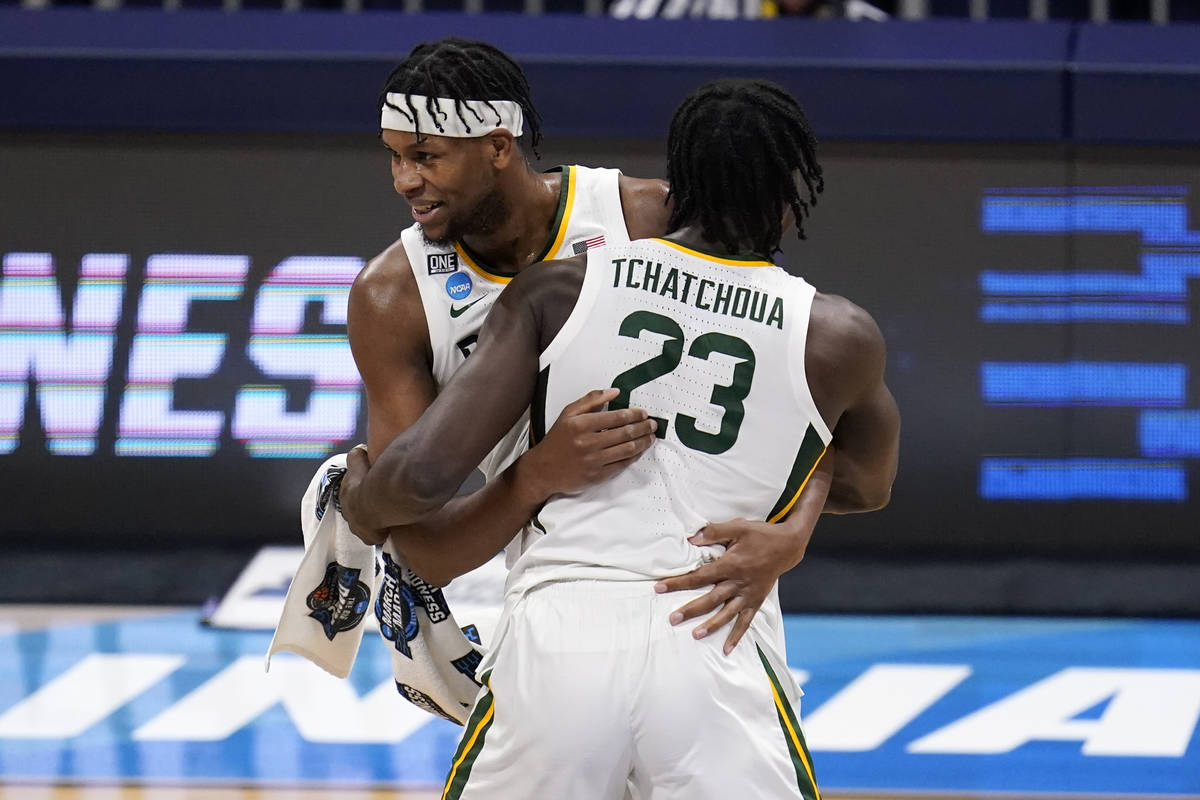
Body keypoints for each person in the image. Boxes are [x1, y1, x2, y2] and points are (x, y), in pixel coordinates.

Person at [340, 77, 901, 799]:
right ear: (794, 201)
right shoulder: (837, 334)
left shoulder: (553, 289)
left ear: (680, 184)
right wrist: (794, 517)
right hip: (718, 628)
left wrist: (357, 500)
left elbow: (415, 481)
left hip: (562, 632)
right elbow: (869, 482)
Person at [347, 37, 832, 656]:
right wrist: (536, 475)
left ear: (498, 146)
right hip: (559, 587)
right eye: (393, 158)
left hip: (704, 585)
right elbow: (426, 553)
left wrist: (790, 537)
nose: (405, 181)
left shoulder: (647, 216)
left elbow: (808, 400)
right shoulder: (392, 297)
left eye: (425, 156)